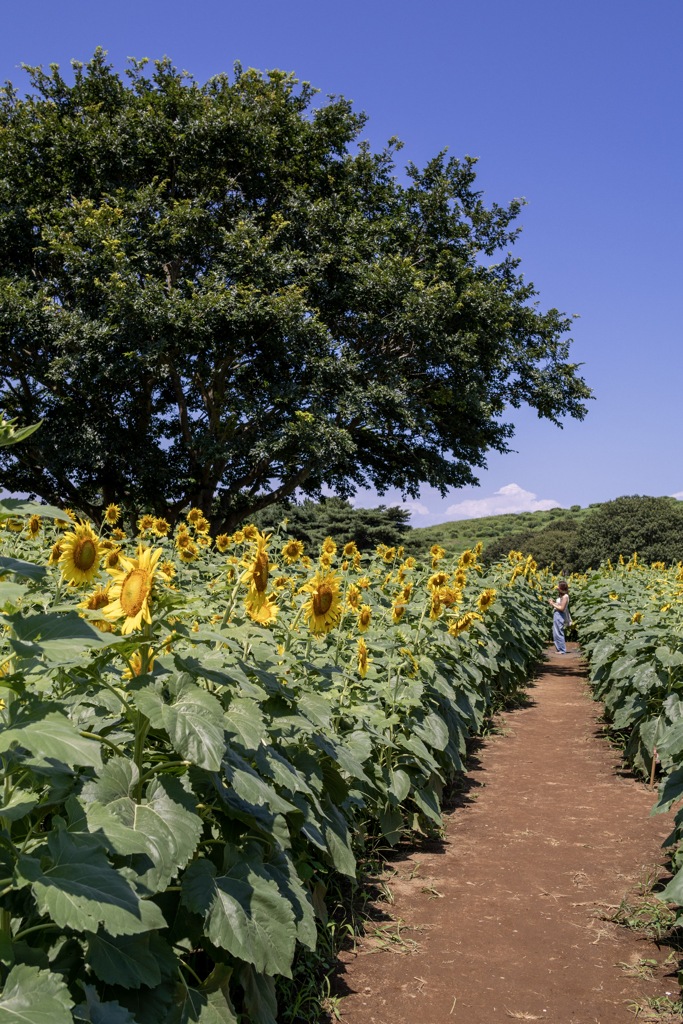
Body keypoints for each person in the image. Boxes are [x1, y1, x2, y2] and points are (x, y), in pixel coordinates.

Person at [548, 580, 570, 654]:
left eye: (558, 586)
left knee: (559, 632)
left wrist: (552, 604)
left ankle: (562, 650)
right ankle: (559, 649)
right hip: (557, 614)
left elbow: (562, 608)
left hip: (560, 615)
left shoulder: (565, 597)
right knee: (555, 632)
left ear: (562, 588)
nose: (557, 587)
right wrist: (553, 603)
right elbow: (559, 605)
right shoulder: (562, 596)